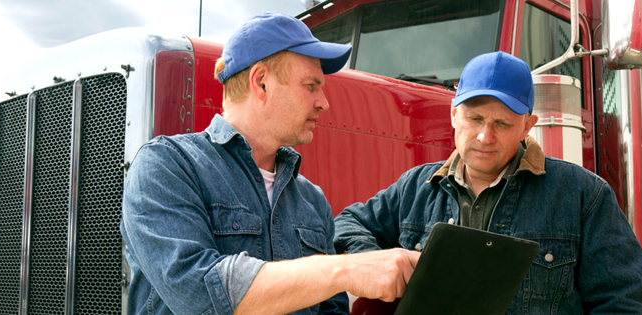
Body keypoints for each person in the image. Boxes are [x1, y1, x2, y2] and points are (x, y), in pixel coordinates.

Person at [120, 12, 420, 315]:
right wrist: (346, 269)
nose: (323, 102)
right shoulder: (167, 167)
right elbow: (199, 293)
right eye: (311, 85)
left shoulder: (312, 201)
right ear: (261, 82)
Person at [333, 51, 642, 313]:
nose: (485, 136)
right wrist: (377, 263)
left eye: (502, 123)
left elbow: (627, 305)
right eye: (475, 119)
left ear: (528, 125)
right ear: (453, 115)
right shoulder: (415, 188)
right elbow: (344, 224)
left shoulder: (584, 196)